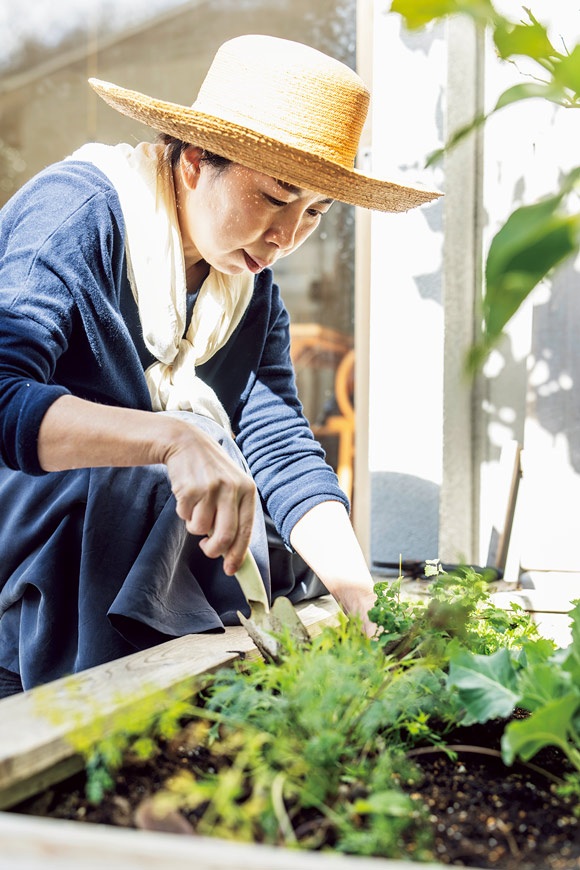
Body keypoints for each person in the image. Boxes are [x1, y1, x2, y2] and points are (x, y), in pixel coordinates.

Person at [0, 34, 439, 698]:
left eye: (316, 213)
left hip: (132, 539)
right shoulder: (78, 214)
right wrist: (173, 439)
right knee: (151, 481)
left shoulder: (249, 290)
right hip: (33, 515)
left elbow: (280, 445)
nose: (288, 237)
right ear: (197, 160)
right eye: (276, 197)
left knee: (277, 531)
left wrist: (361, 601)